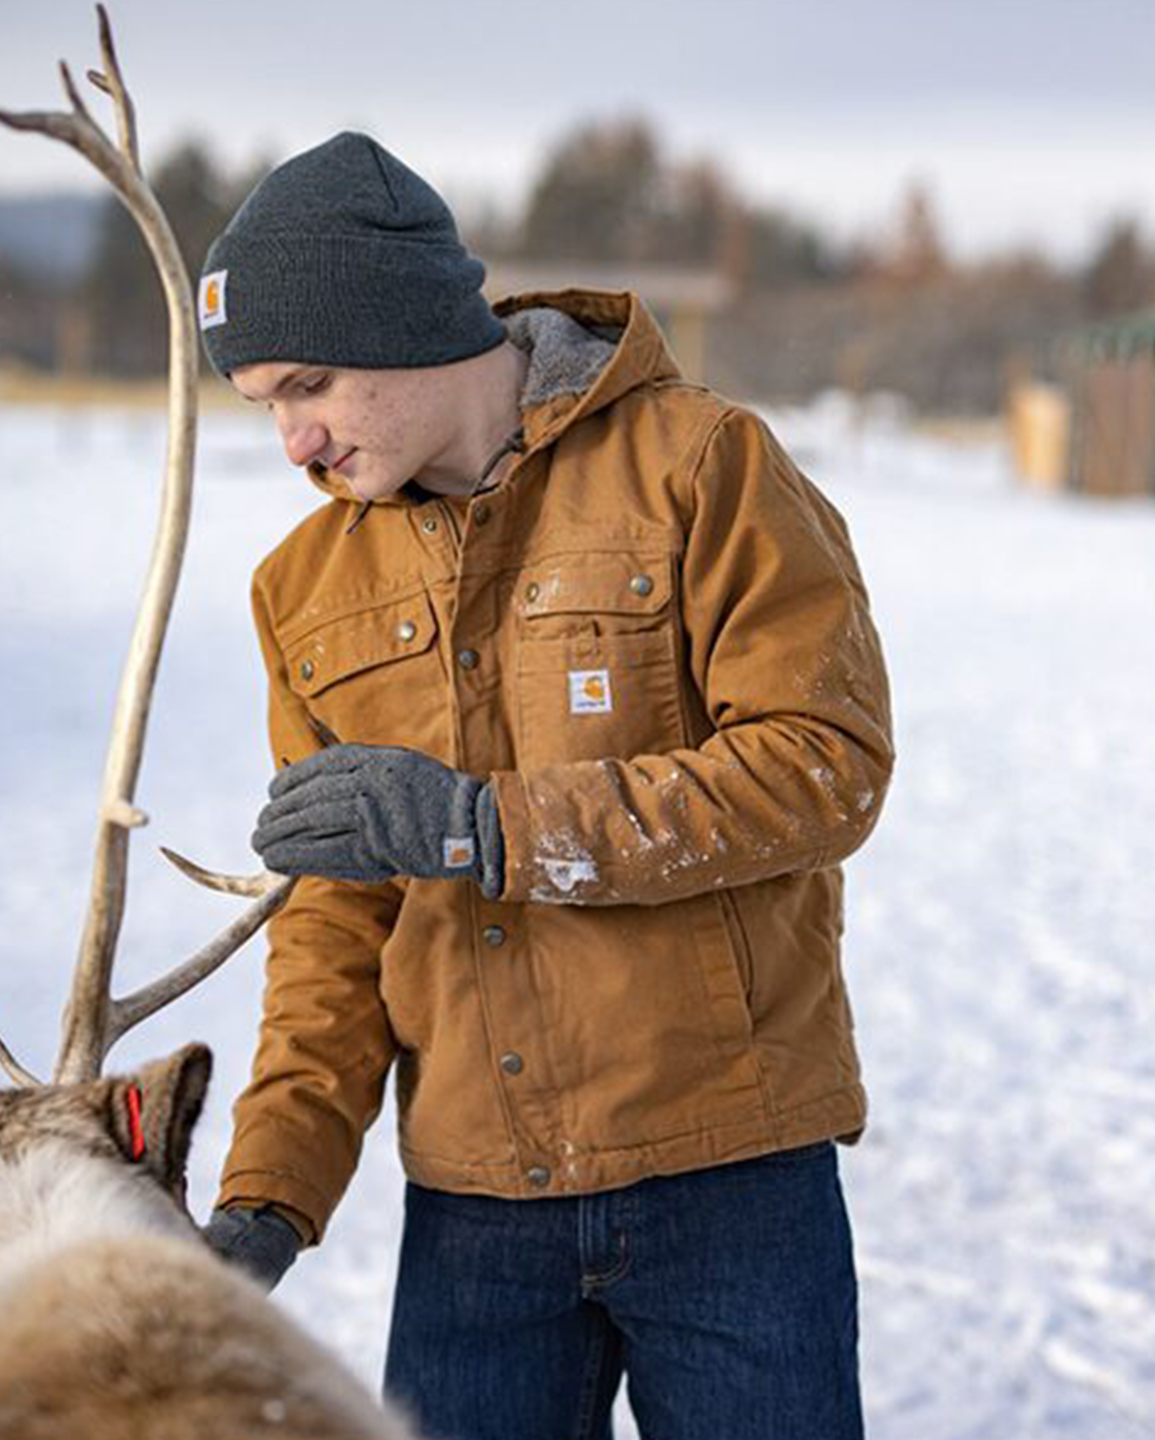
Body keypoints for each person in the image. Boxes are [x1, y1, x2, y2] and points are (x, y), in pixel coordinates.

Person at [197, 131, 894, 1440]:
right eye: (263, 407)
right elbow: (337, 924)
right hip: (475, 1214)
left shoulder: (702, 469)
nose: (294, 441)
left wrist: (485, 829)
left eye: (310, 385)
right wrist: (269, 1192)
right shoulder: (302, 590)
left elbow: (825, 765)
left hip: (732, 1179)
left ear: (406, 329)